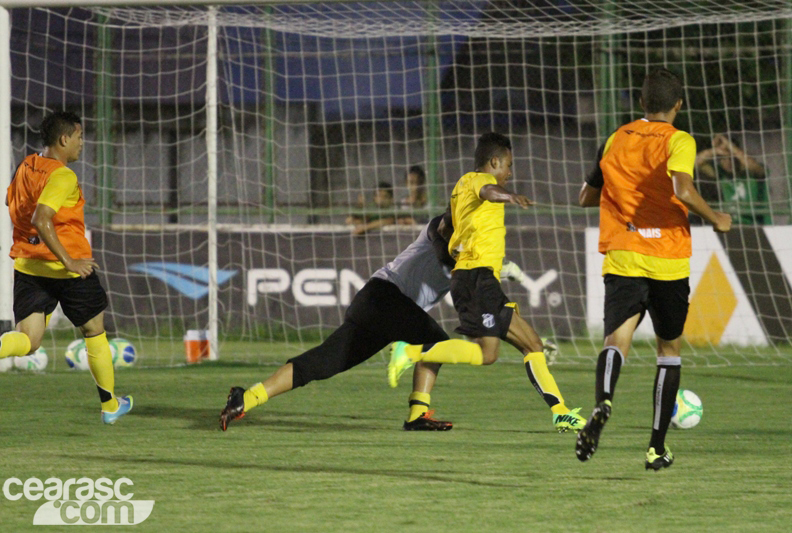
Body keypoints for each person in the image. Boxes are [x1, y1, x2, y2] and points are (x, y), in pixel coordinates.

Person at [576, 69, 732, 469]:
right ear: (678, 105)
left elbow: (585, 197)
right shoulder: (679, 140)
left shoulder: (616, 138)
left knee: (616, 340)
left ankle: (603, 402)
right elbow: (682, 189)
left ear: (642, 103)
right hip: (667, 259)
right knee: (668, 352)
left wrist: (625, 199)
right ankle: (656, 448)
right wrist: (715, 216)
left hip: (624, 253)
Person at [386, 132, 586, 433]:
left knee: (532, 344)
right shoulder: (479, 182)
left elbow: (443, 226)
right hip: (476, 278)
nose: (510, 172)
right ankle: (410, 351)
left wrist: (458, 247)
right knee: (487, 354)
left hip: (480, 277)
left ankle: (561, 413)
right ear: (494, 162)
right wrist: (510, 196)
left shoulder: (461, 190)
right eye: (508, 165)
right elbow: (490, 191)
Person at [221, 212, 460, 431]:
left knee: (323, 363)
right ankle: (416, 408)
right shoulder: (441, 225)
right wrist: (470, 264)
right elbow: (442, 251)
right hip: (384, 297)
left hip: (381, 308)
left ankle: (246, 398)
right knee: (436, 342)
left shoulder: (473, 243)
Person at [0, 110, 132, 424]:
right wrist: (69, 260)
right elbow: (41, 219)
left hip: (29, 266)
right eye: (80, 137)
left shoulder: (26, 164)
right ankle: (110, 406)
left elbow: (8, 201)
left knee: (28, 341)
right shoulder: (63, 175)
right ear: (64, 139)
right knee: (94, 331)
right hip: (67, 269)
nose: (82, 143)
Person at [695, 134, 767, 224]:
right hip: (731, 224)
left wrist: (731, 147)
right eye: (723, 159)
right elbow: (695, 163)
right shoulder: (721, 173)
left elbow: (753, 167)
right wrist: (715, 151)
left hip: (754, 223)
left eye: (731, 158)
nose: (728, 162)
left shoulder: (753, 172)